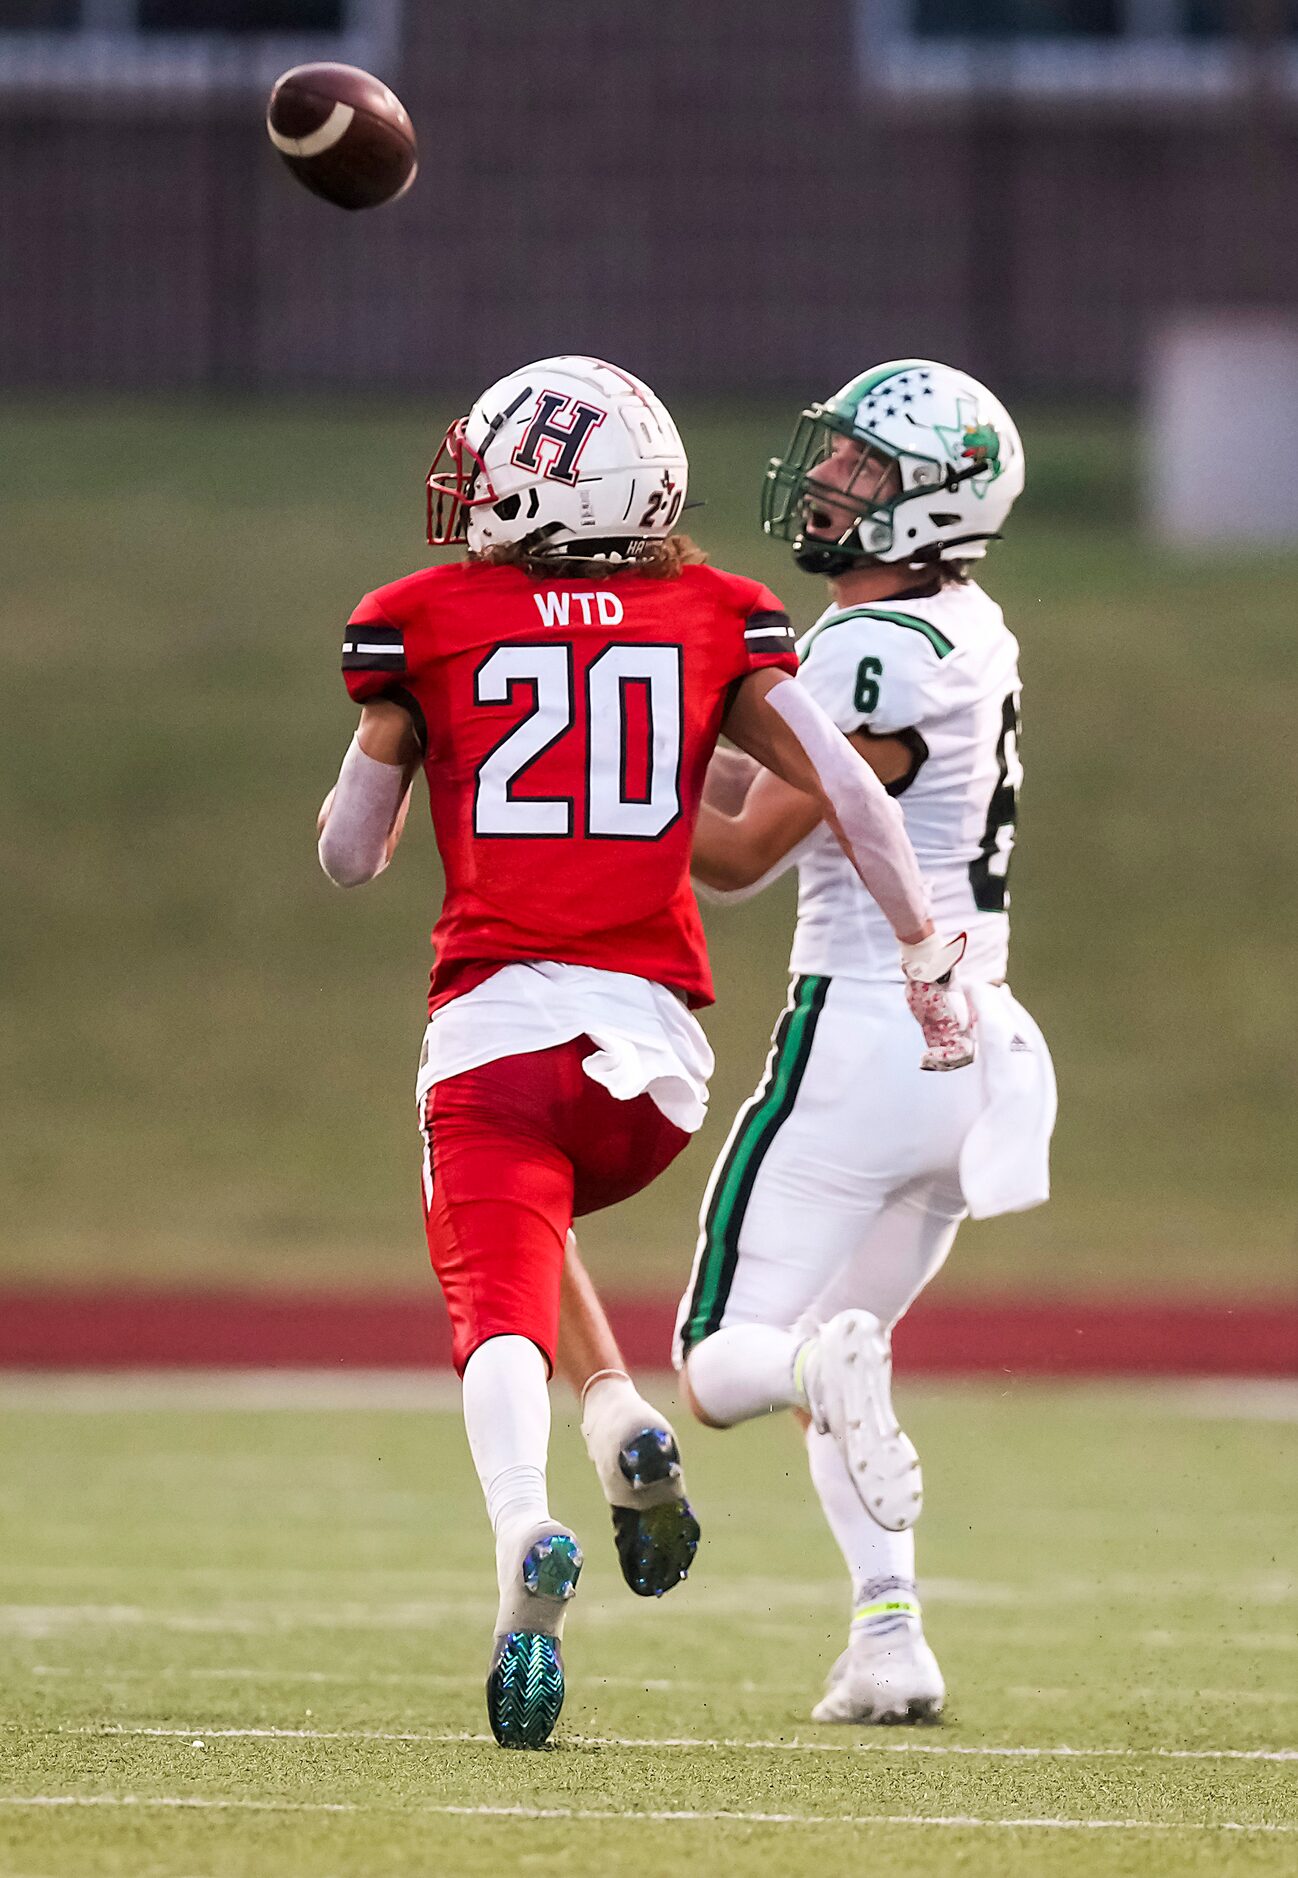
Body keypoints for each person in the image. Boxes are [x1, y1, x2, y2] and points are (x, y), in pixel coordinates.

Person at [315, 354, 972, 1750]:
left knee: (487, 1266)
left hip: (497, 1032)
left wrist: (389, 737)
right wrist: (926, 955)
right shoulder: (713, 610)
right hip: (654, 1067)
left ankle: (520, 1536)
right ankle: (618, 1421)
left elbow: (348, 858)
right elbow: (847, 790)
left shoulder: (423, 621)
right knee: (535, 1197)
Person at [676, 359, 1057, 1725]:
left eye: (863, 472)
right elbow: (750, 767)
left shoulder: (864, 652)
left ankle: (807, 1372)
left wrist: (545, 783)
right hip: (972, 1053)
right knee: (842, 1352)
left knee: (725, 1358)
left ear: (933, 506)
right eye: (831, 458)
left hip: (860, 1030)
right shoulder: (964, 629)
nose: (829, 484)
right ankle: (888, 1637)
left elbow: (729, 854)